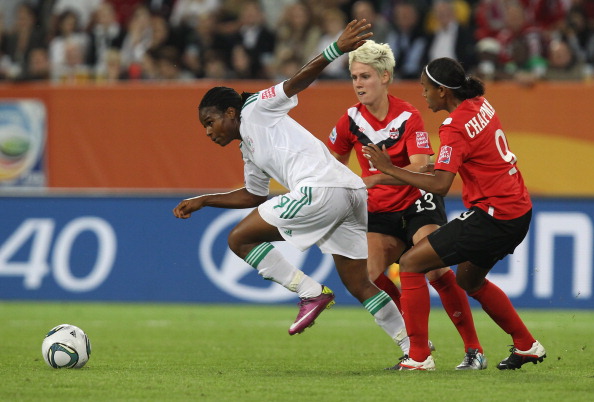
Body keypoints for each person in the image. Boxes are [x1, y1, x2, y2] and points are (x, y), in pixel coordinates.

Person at [173, 19, 411, 360]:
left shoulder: (256, 107)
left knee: (239, 239)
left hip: (323, 190)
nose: (209, 132)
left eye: (210, 123)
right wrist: (205, 200)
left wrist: (335, 49)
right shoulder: (249, 150)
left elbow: (296, 82)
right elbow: (254, 195)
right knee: (360, 284)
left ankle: (310, 292)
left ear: (230, 112)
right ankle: (414, 350)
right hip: (350, 192)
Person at [362, 57, 546, 371]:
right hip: (517, 209)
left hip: (494, 214)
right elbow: (455, 163)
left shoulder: (454, 126)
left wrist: (389, 169)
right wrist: (384, 176)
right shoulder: (479, 104)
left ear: (443, 92)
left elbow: (441, 185)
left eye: (426, 88)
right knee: (469, 278)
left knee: (411, 262)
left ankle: (419, 356)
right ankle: (527, 345)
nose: (423, 94)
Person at [327, 40, 485, 370]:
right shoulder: (349, 121)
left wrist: (376, 178)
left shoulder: (408, 116)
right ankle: (416, 341)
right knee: (368, 275)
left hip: (417, 203)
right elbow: (333, 165)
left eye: (365, 76)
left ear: (385, 77)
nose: (358, 84)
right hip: (380, 211)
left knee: (436, 269)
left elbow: (421, 168)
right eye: (354, 77)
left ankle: (474, 350)